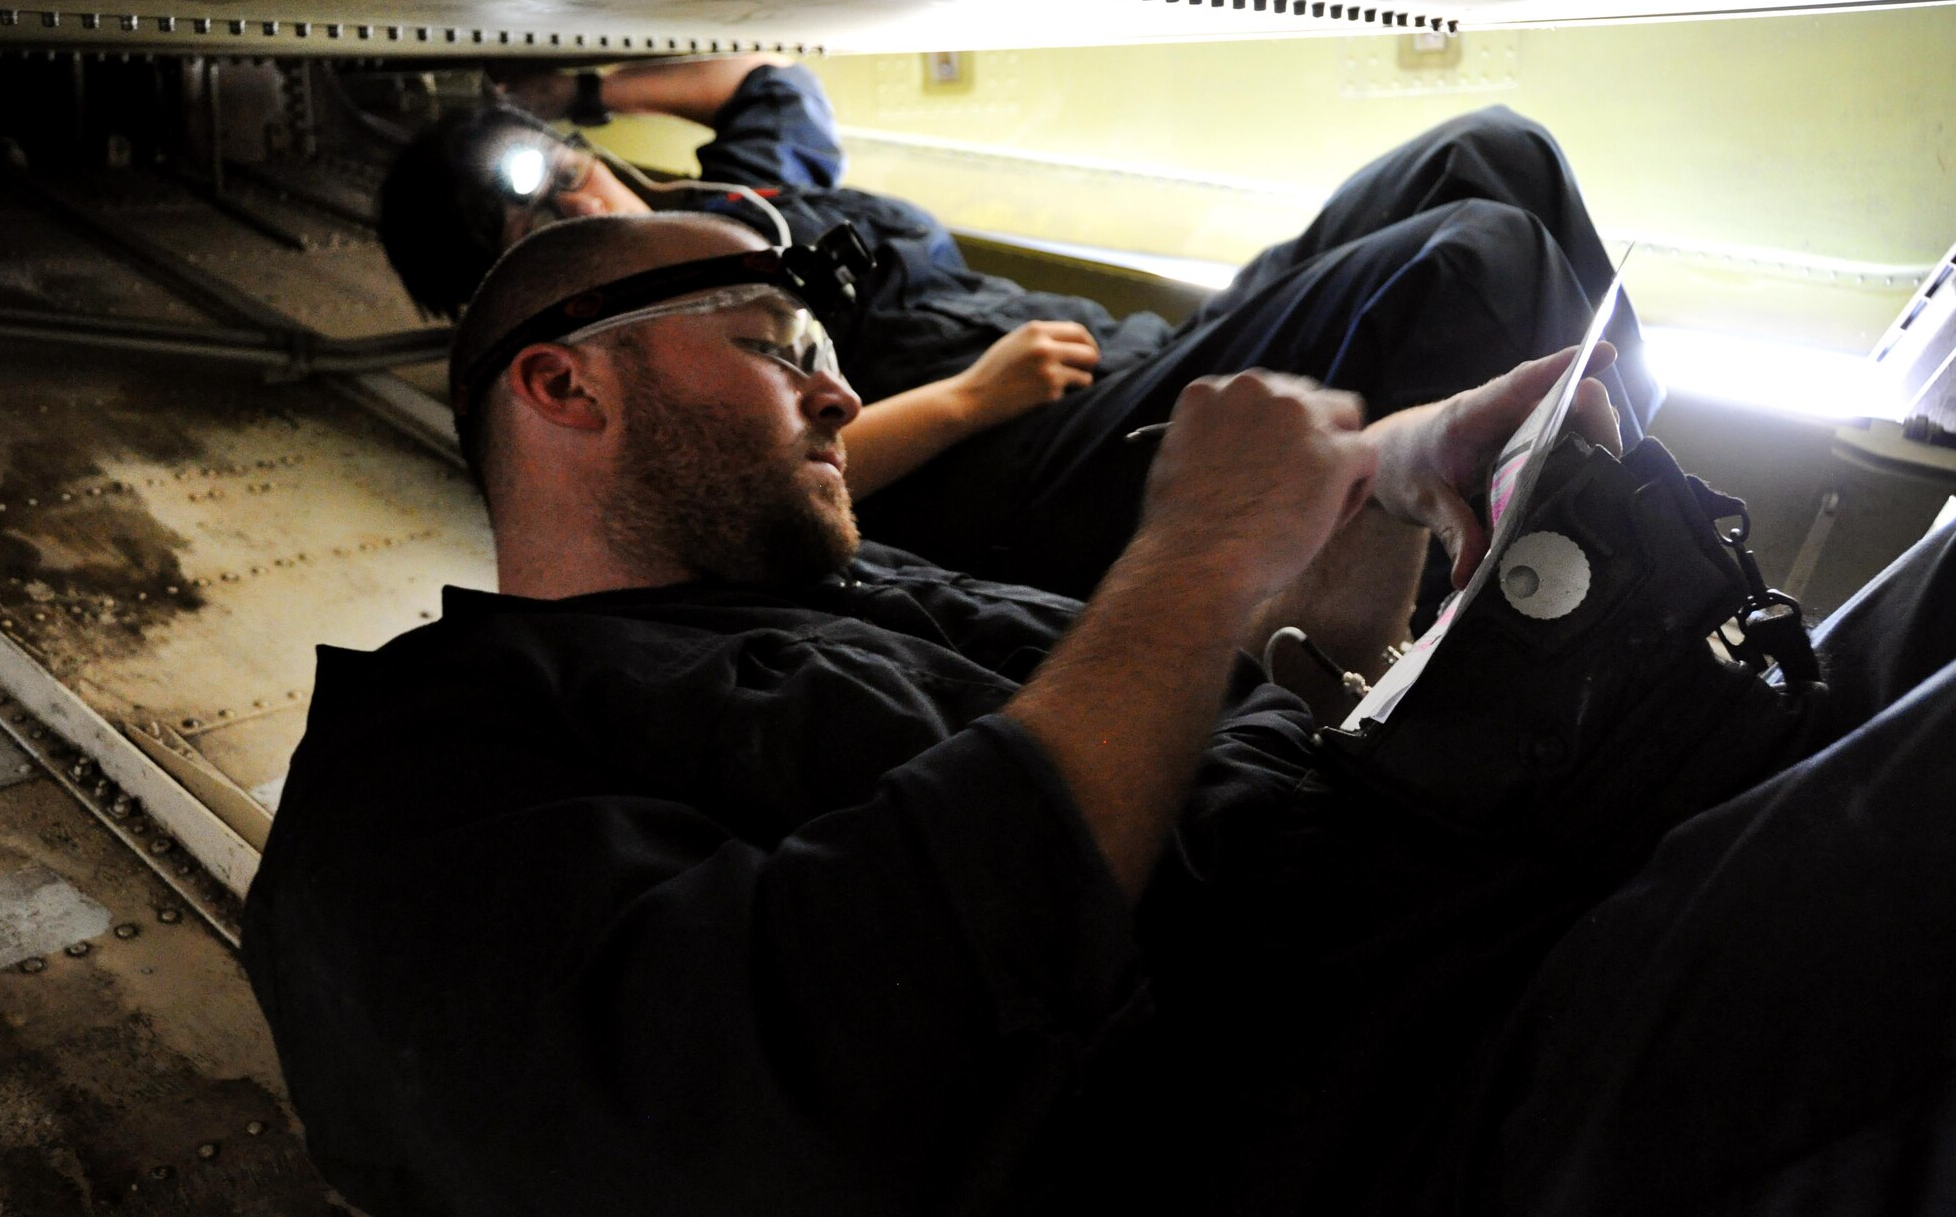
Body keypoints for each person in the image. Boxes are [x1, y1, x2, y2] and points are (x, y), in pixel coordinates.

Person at [244, 212, 1956, 1217]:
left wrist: (1384, 495)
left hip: (1502, 894)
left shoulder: (876, 594)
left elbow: (1240, 764)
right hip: (1440, 1104)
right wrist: (1194, 560)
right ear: (563, 382)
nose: (844, 385)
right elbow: (770, 1096)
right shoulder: (419, 777)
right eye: (775, 338)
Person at [378, 57, 1662, 621]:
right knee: (1480, 256)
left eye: (567, 172)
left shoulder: (735, 200)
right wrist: (967, 400)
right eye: (536, 224)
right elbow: (726, 484)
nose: (577, 200)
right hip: (1027, 454)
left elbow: (771, 80)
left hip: (1130, 354)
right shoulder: (617, 346)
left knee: (1492, 146)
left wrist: (577, 93)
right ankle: (1571, 604)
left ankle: (1635, 483)